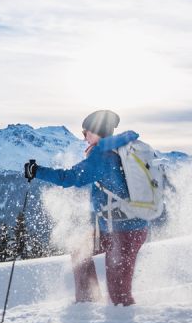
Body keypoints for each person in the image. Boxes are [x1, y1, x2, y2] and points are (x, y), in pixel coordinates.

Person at [24, 110, 148, 306]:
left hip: (125, 231)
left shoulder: (102, 155)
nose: (84, 138)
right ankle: (87, 302)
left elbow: (70, 177)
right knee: (80, 250)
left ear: (96, 132)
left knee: (119, 298)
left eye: (85, 133)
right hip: (121, 227)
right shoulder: (122, 148)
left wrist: (36, 171)